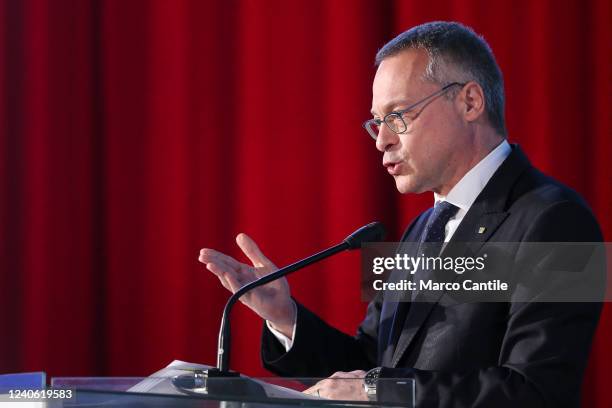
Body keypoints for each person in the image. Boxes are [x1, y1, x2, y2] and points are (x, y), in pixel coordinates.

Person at [199, 21, 603, 407]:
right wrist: (285, 318)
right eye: (377, 123)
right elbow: (371, 364)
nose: (383, 141)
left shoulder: (559, 219)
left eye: (397, 116)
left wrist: (379, 390)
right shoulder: (421, 228)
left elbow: (538, 391)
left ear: (470, 101)